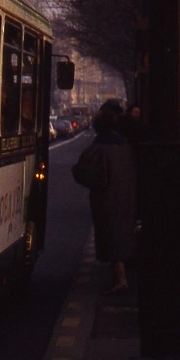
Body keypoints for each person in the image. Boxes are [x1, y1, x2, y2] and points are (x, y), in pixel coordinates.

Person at [72, 100, 136, 293]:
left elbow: (82, 171)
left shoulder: (99, 147)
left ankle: (120, 279)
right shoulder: (125, 146)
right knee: (120, 235)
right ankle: (119, 277)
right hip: (126, 197)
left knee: (112, 238)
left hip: (106, 199)